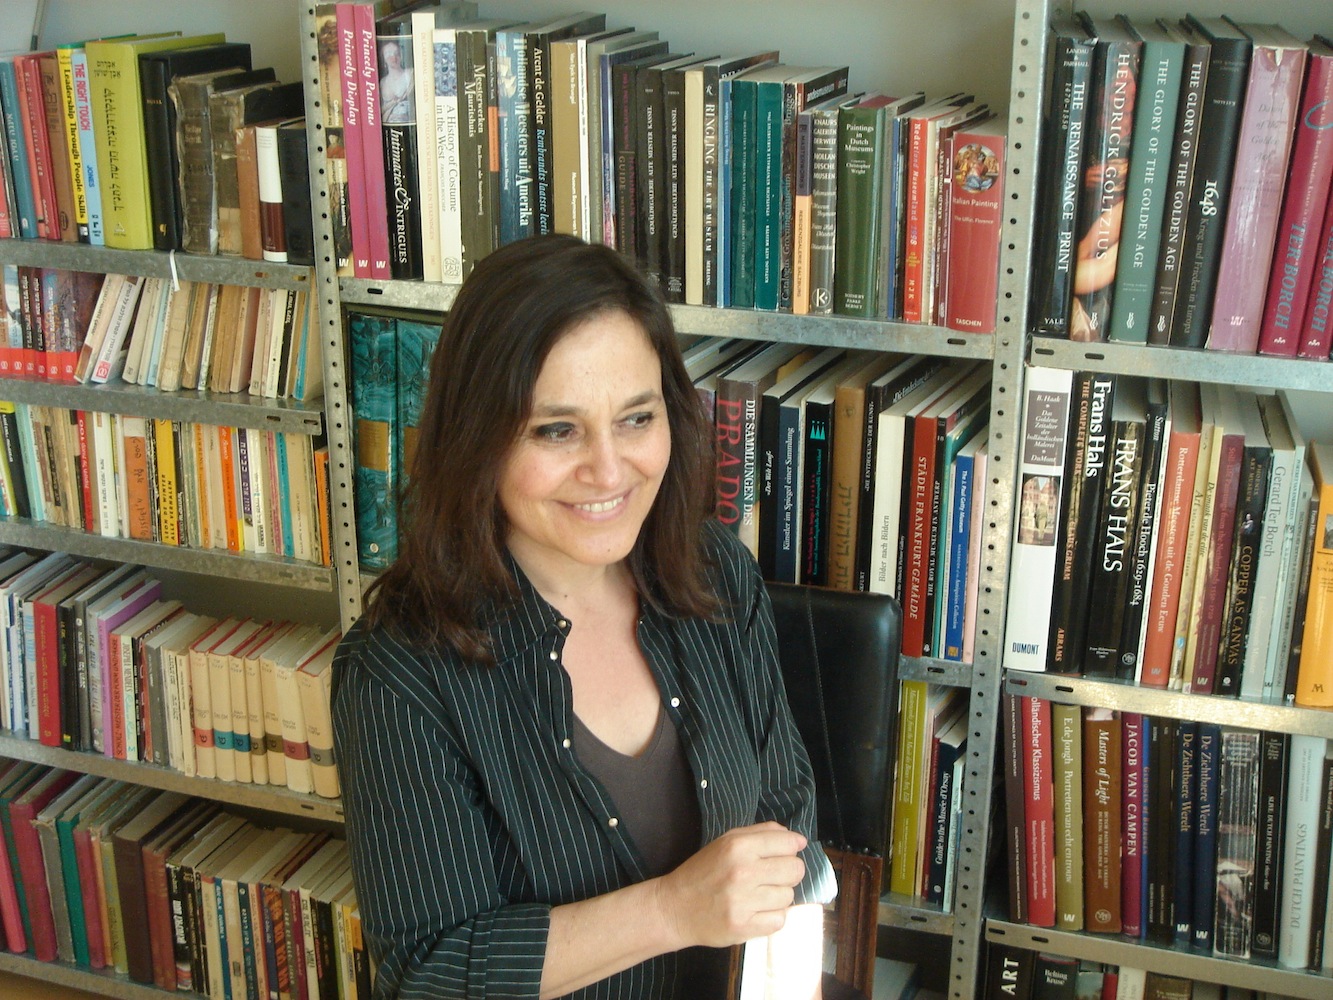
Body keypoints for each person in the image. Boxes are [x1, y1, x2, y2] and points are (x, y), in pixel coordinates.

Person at [331, 234, 834, 999]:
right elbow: (426, 974)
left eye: (636, 419)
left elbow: (785, 824)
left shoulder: (715, 572)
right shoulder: (397, 672)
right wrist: (671, 910)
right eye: (556, 430)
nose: (608, 470)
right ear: (477, 441)